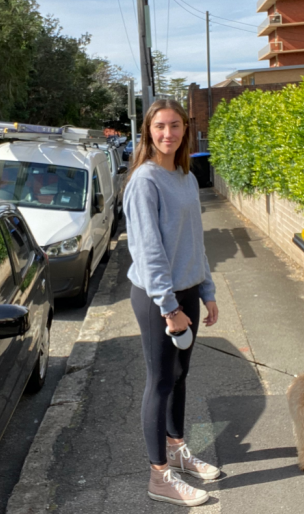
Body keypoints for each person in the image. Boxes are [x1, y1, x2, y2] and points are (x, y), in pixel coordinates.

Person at [123, 99, 221, 507]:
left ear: (186, 129)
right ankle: (158, 476)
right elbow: (149, 251)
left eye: (176, 125)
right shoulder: (145, 181)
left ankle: (177, 448)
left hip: (186, 292)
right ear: (148, 132)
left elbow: (194, 243)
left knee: (180, 375)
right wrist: (168, 307)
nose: (168, 134)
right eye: (160, 127)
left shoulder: (185, 177)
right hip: (155, 297)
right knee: (160, 381)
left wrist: (207, 291)